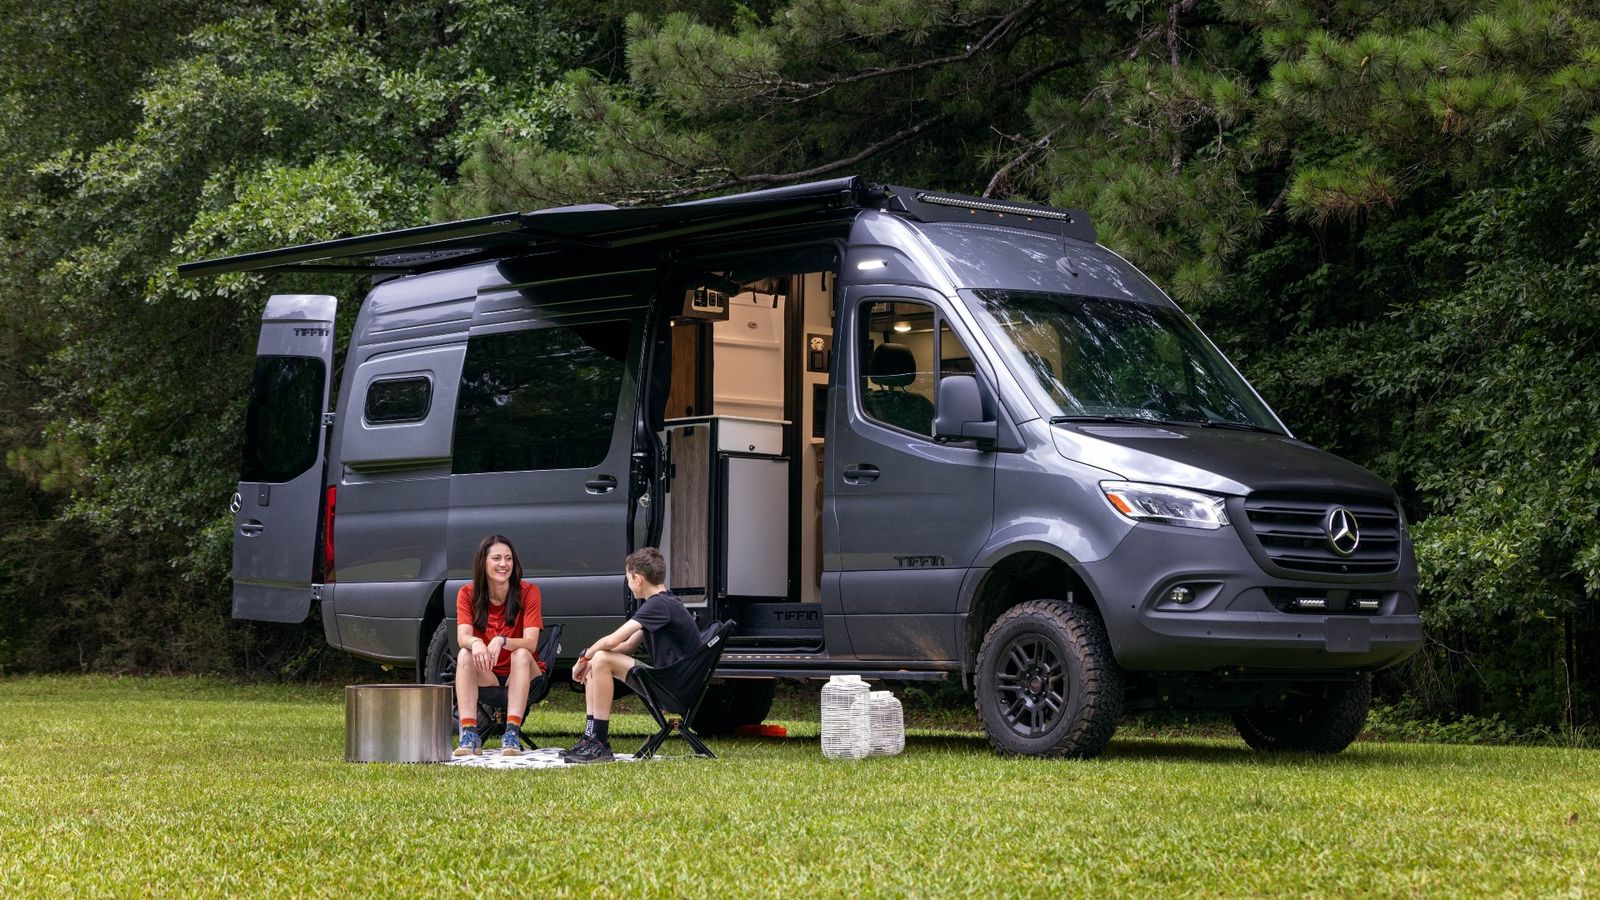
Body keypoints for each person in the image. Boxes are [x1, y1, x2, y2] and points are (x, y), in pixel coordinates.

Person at [564, 547, 702, 763]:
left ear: (638, 579)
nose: (628, 584)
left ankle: (600, 742)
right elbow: (627, 646)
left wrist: (584, 658)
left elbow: (612, 640)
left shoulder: (659, 605)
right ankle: (591, 737)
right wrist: (589, 658)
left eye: (628, 578)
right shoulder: (664, 604)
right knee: (598, 659)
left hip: (675, 688)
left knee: (599, 658)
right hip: (673, 683)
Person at [453, 534, 545, 756]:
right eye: (496, 558)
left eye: (508, 558)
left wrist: (502, 640)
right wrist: (475, 642)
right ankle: (469, 734)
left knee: (521, 653)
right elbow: (462, 636)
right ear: (483, 563)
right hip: (489, 674)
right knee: (465, 654)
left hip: (525, 674)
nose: (504, 564)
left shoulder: (529, 592)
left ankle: (511, 733)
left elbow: (531, 643)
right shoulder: (467, 593)